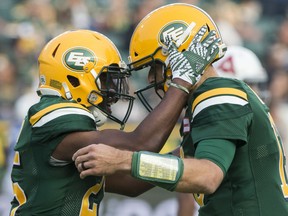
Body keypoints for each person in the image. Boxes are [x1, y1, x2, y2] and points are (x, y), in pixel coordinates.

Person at [72, 3, 288, 216]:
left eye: (154, 67)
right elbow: (138, 182)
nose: (150, 78)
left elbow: (206, 176)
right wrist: (70, 177)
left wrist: (123, 159)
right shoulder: (208, 102)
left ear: (177, 57)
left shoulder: (218, 94)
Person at [9, 26, 219, 215]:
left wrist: (185, 150)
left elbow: (132, 184)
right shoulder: (55, 114)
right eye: (107, 79)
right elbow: (139, 145)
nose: (114, 91)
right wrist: (182, 81)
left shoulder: (57, 125)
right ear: (75, 76)